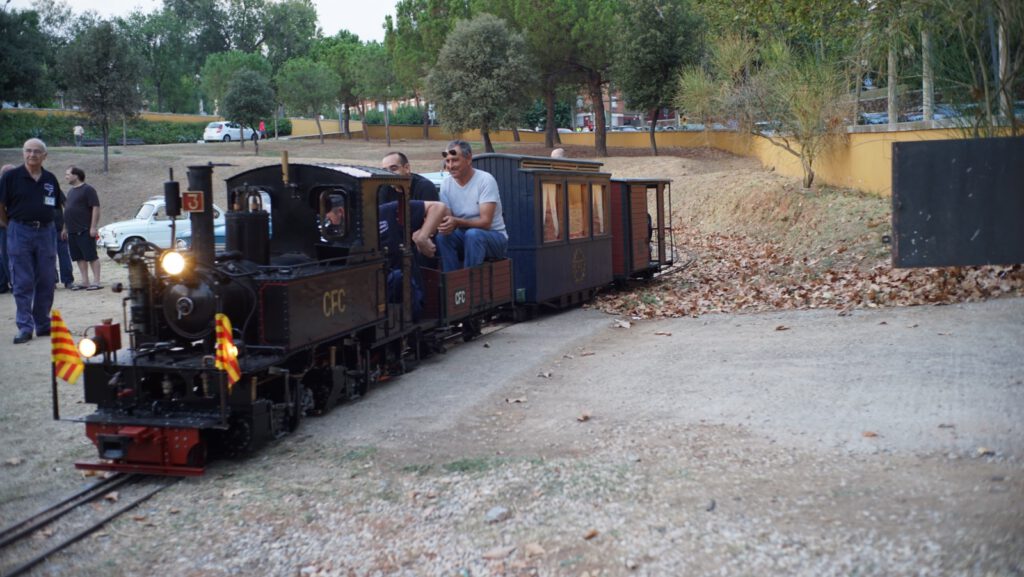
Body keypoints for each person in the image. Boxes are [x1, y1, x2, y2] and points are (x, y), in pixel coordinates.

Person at [0, 138, 63, 343]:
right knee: (22, 281)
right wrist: (10, 225)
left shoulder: (50, 179)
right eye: (28, 150)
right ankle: (25, 327)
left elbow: (56, 205)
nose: (32, 155)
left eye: (37, 151)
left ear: (45, 155)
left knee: (47, 279)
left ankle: (43, 324)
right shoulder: (11, 177)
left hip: (46, 232)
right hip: (19, 230)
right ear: (23, 153)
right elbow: (1, 206)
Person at [436, 140, 507, 271]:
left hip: (494, 237)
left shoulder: (485, 180)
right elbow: (449, 221)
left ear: (468, 159)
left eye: (455, 160)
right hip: (465, 235)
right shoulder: (446, 184)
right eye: (447, 161)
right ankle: (452, 280)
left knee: (473, 235)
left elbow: (486, 223)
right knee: (442, 237)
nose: (450, 166)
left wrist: (456, 221)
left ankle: (469, 280)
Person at [378, 199, 448, 318]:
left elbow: (438, 207)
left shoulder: (387, 211)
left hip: (402, 290)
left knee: (398, 277)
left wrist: (422, 238)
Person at [63, 166, 101, 290]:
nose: (66, 177)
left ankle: (96, 282)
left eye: (68, 174)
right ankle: (85, 282)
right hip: (72, 230)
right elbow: (68, 211)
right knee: (79, 257)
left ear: (76, 175)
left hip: (85, 229)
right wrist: (65, 228)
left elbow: (95, 207)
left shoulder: (88, 189)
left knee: (91, 256)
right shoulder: (71, 191)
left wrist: (93, 227)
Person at [0, 164, 13, 294]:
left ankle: (3, 284)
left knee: (3, 255)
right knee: (7, 255)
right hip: (6, 226)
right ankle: (13, 283)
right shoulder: (5, 186)